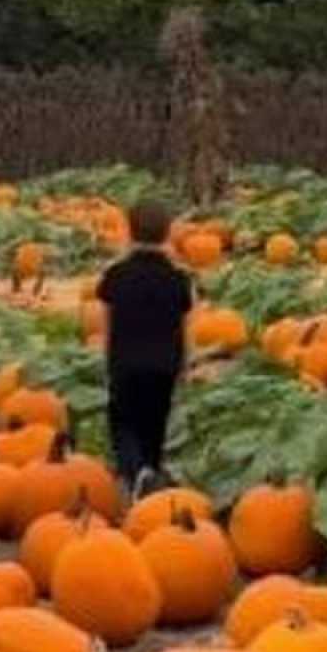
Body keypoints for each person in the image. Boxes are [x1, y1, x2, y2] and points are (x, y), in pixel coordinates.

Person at [97, 200, 194, 499]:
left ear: (129, 230)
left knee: (123, 423)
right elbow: (185, 328)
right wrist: (185, 364)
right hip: (165, 363)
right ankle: (150, 475)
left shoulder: (116, 275)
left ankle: (137, 471)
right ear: (167, 234)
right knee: (155, 423)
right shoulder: (178, 279)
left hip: (125, 362)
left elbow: (107, 325)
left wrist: (106, 359)